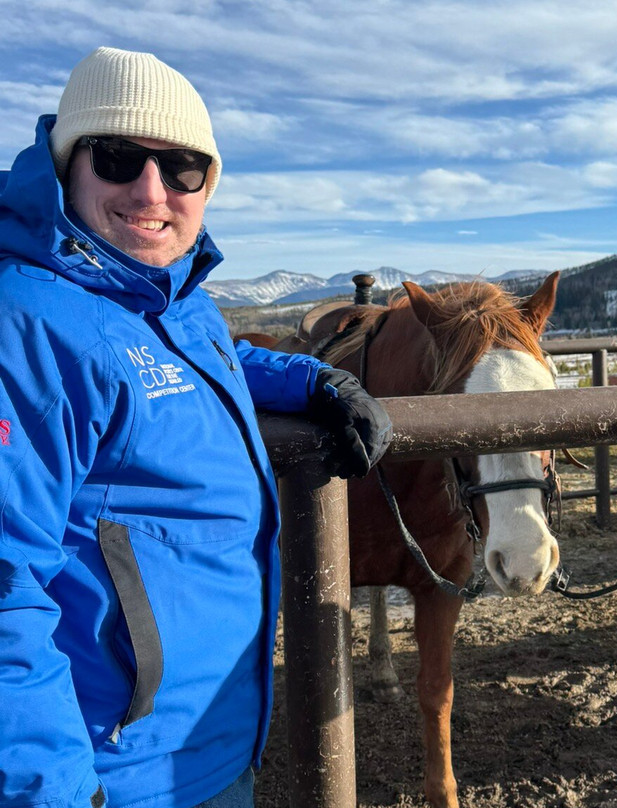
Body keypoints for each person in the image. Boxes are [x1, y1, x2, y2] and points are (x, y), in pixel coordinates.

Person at [0, 47, 391, 808]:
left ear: (207, 185)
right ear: (65, 164)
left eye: (182, 168)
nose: (153, 189)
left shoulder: (165, 295)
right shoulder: (26, 325)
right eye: (117, 157)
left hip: (205, 751)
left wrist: (310, 377)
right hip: (112, 776)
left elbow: (200, 357)